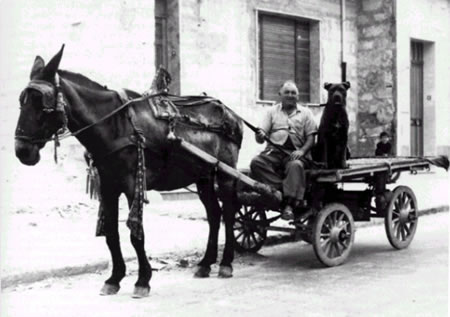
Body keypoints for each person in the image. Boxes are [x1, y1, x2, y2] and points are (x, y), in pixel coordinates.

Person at [250, 81, 317, 220]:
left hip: (295, 154)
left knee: (295, 166)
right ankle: (279, 190)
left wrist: (302, 152)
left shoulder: (306, 113)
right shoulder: (271, 112)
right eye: (287, 92)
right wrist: (260, 135)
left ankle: (289, 204)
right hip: (273, 152)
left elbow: (311, 139)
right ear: (280, 94)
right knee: (256, 162)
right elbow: (261, 135)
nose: (290, 95)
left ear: (298, 96)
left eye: (293, 93)